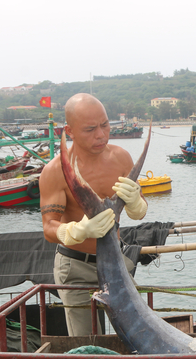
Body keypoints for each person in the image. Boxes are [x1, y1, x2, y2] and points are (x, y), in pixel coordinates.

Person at [39, 93, 148, 336]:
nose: (101, 134)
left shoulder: (121, 158)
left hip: (116, 262)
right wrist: (78, 230)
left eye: (105, 125)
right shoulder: (55, 171)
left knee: (137, 331)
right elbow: (48, 227)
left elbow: (139, 210)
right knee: (87, 341)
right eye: (90, 129)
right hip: (76, 265)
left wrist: (136, 204)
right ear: (69, 130)